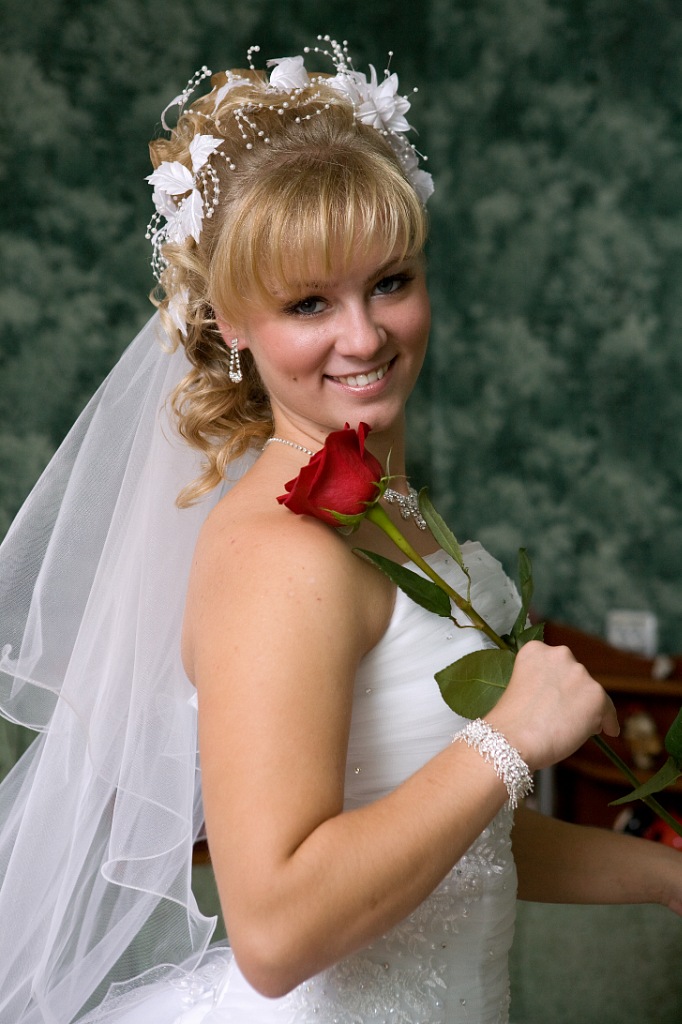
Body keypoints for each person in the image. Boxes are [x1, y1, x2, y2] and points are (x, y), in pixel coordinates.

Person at [0, 38, 681, 1024]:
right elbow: (275, 934)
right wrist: (506, 737)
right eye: (309, 302)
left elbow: (454, 841)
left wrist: (665, 877)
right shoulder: (278, 557)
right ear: (230, 322)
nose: (363, 337)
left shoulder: (386, 509)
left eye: (390, 281)